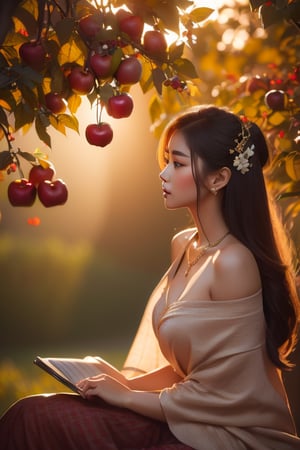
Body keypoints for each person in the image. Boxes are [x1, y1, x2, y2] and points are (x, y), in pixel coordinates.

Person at [0, 105, 299, 450]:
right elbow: (188, 370)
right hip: (183, 416)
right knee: (32, 415)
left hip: (229, 435)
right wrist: (119, 384)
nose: (163, 173)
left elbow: (220, 394)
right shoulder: (184, 245)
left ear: (219, 178)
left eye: (178, 163)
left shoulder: (233, 263)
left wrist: (126, 398)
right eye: (167, 160)